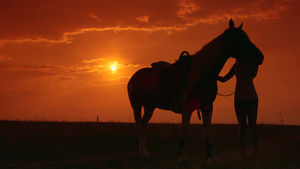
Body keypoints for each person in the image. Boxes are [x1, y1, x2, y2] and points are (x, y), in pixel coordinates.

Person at [218, 57, 262, 158]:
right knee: (242, 126)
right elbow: (225, 79)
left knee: (252, 125)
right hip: (239, 98)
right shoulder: (236, 64)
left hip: (250, 97)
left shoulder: (252, 62)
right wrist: (214, 77)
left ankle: (256, 149)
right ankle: (243, 152)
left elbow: (254, 74)